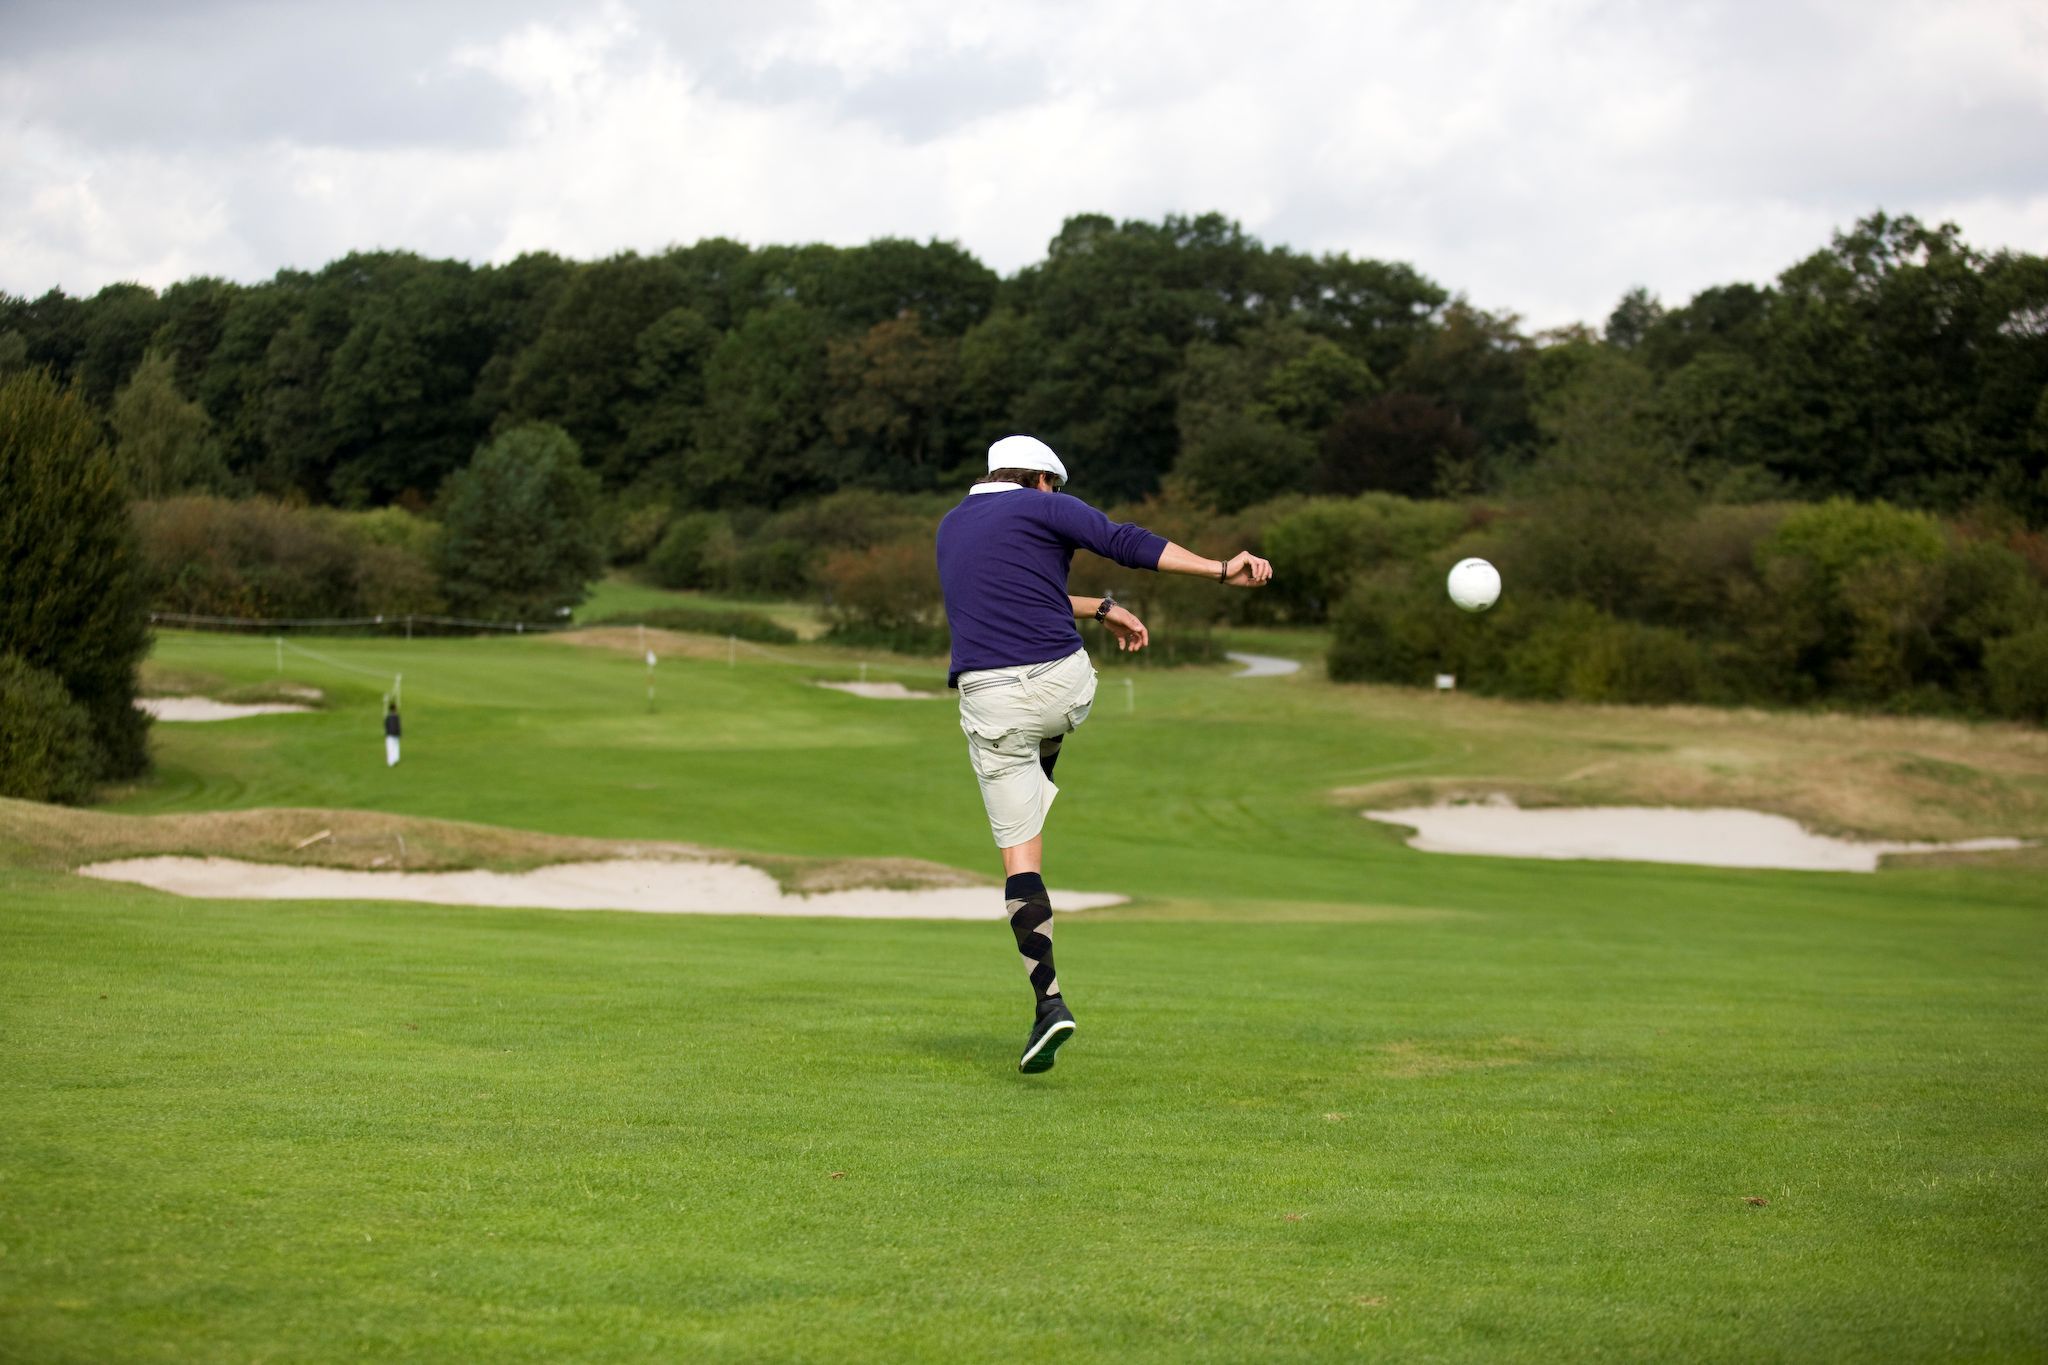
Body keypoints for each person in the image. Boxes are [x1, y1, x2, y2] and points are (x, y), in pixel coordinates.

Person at [935, 434, 1272, 1073]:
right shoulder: (1041, 506)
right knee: (1046, 732)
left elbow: (1008, 598)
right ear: (1042, 481)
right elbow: (1126, 542)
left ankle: (1048, 1001)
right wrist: (1221, 570)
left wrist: (1101, 608)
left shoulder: (952, 527)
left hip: (990, 701)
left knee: (1020, 860)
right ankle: (1041, 770)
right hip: (1065, 687)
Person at [384, 700, 402, 767]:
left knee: (390, 748)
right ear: (394, 709)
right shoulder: (396, 717)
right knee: (395, 747)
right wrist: (399, 734)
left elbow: (386, 726)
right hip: (395, 735)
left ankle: (391, 761)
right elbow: (398, 726)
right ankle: (394, 760)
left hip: (390, 735)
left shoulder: (388, 717)